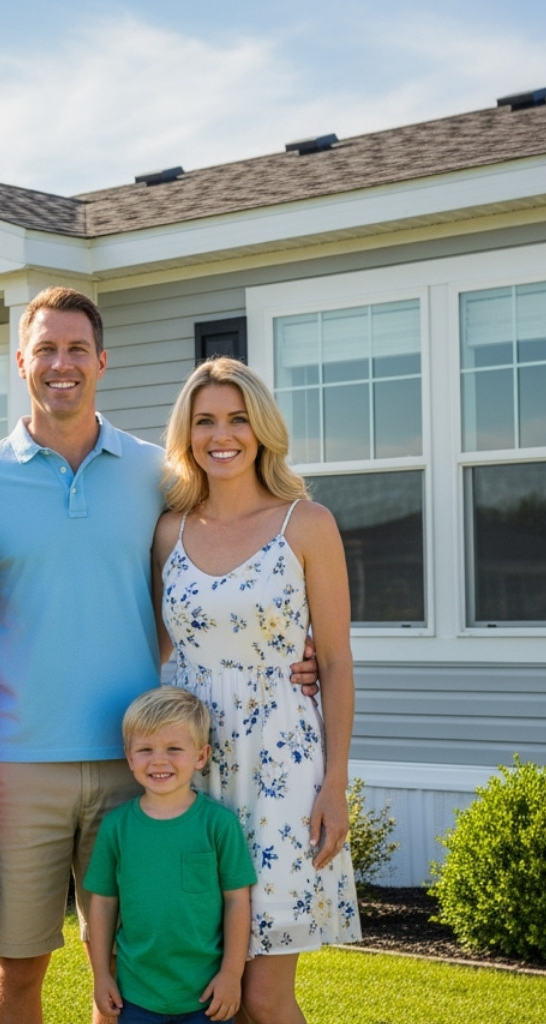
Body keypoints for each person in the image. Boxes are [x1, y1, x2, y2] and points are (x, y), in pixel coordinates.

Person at [0, 286, 313, 1024]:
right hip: (15, 764)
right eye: (46, 348)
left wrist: (294, 655)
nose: (61, 364)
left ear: (102, 361)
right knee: (19, 965)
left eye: (77, 348)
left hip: (138, 764)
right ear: (21, 362)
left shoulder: (156, 475)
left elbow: (216, 573)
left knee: (136, 967)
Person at [153, 357, 361, 1024]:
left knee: (266, 995)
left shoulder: (307, 523)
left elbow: (333, 661)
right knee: (206, 986)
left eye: (238, 419)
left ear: (262, 429)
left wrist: (336, 783)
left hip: (281, 772)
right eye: (206, 420)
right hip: (189, 773)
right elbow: (159, 651)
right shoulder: (167, 532)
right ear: (186, 434)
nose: (223, 434)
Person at [85, 687, 256, 1024]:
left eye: (174, 749)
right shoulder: (116, 827)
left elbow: (237, 901)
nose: (159, 760)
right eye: (145, 749)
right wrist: (102, 974)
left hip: (207, 996)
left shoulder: (219, 825)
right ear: (129, 757)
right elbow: (103, 904)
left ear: (201, 756)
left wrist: (231, 975)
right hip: (136, 996)